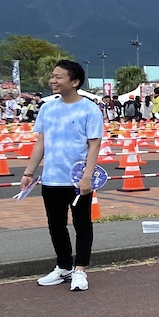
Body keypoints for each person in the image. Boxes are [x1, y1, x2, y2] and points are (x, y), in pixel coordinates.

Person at [25, 60, 103, 292]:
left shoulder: (89, 109)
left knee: (82, 224)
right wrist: (29, 172)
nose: (53, 80)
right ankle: (63, 266)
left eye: (58, 77)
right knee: (56, 225)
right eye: (52, 76)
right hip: (51, 179)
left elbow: (94, 144)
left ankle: (80, 270)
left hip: (78, 179)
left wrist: (87, 176)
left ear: (75, 81)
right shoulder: (47, 108)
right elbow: (41, 142)